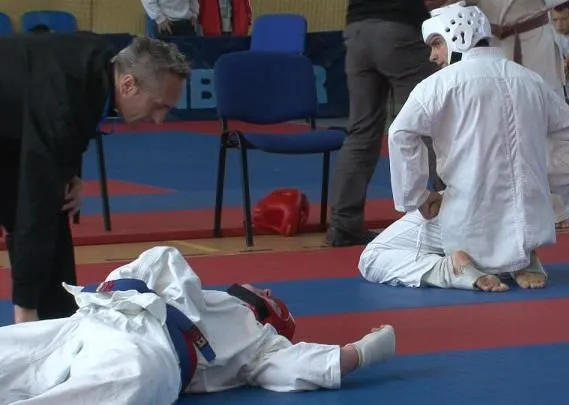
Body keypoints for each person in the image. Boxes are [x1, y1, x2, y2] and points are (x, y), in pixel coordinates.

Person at [363, 3, 569, 292]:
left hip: (467, 219)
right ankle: (518, 259)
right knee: (502, 212)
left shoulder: (438, 85)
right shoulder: (530, 80)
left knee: (373, 258)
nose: (433, 56)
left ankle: (451, 269)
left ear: (458, 37)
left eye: (436, 44)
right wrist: (546, 186)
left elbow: (400, 134)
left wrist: (417, 197)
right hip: (527, 220)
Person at [0, 246, 396, 404]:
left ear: (268, 314)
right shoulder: (197, 290)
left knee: (130, 379)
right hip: (98, 317)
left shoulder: (261, 340)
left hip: (154, 348)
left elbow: (294, 366)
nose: (267, 287)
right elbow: (158, 258)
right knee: (14, 350)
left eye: (271, 295)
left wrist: (358, 353)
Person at [0, 33, 190, 324]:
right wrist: (25, 307)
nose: (159, 119)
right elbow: (34, 207)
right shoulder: (65, 98)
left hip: (13, 120)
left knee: (55, 206)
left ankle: (61, 321)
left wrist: (69, 173)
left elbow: (69, 124)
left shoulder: (102, 64)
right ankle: (35, 319)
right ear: (128, 85)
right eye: (158, 106)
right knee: (36, 210)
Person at [327, 0, 443, 248]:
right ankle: (454, 211)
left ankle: (343, 224)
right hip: (399, 28)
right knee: (432, 124)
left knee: (361, 131)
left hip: (357, 30)